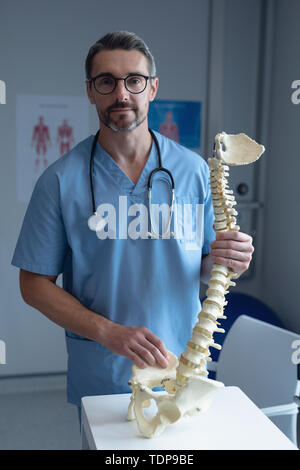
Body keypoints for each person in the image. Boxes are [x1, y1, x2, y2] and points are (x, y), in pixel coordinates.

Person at [11, 31, 254, 424]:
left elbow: (207, 263)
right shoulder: (60, 180)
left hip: (184, 368)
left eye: (134, 80)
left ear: (152, 88)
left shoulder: (193, 172)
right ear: (90, 92)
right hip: (104, 371)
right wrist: (108, 332)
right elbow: (33, 285)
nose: (121, 94)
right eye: (106, 81)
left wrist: (229, 261)